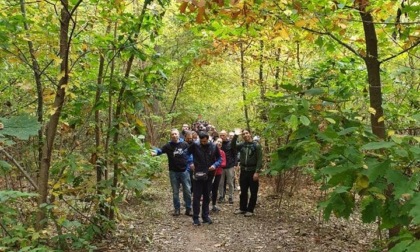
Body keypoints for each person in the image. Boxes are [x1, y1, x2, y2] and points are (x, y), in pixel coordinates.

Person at [151, 129, 192, 216]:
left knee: (187, 191)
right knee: (175, 191)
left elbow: (190, 155)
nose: (174, 135)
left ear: (178, 135)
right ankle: (177, 209)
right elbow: (160, 150)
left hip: (184, 171)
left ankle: (188, 208)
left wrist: (190, 165)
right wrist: (155, 152)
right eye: (172, 134)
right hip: (173, 172)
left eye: (175, 134)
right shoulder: (168, 146)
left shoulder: (185, 144)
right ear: (170, 136)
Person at [187, 131, 222, 226]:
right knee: (196, 197)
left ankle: (205, 216)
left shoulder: (214, 146)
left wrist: (215, 165)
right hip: (197, 173)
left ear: (208, 139)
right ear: (199, 139)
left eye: (205, 141)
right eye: (201, 141)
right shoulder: (195, 145)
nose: (203, 143)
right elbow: (187, 153)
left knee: (207, 196)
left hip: (209, 174)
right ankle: (195, 218)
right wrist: (190, 163)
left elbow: (219, 158)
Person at [232, 129, 262, 217]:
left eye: (247, 133)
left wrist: (257, 172)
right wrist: (235, 135)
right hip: (244, 171)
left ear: (250, 134)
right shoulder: (242, 145)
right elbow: (233, 146)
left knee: (253, 191)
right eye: (243, 134)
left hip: (252, 171)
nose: (245, 135)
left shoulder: (256, 145)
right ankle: (242, 208)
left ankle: (250, 209)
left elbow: (259, 159)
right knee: (243, 191)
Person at [218, 130, 237, 204]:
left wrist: (235, 164)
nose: (222, 137)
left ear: (226, 136)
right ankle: (221, 196)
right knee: (221, 182)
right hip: (220, 166)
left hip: (229, 166)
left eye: (223, 135)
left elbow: (235, 153)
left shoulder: (231, 143)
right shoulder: (219, 144)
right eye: (221, 135)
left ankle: (230, 197)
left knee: (230, 182)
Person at [211, 138, 226, 212]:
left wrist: (216, 164)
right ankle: (206, 205)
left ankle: (214, 205)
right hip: (210, 172)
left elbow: (224, 163)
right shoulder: (211, 150)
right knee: (207, 189)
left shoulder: (222, 152)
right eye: (218, 142)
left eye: (221, 142)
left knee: (215, 189)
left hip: (218, 173)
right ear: (215, 142)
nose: (219, 143)